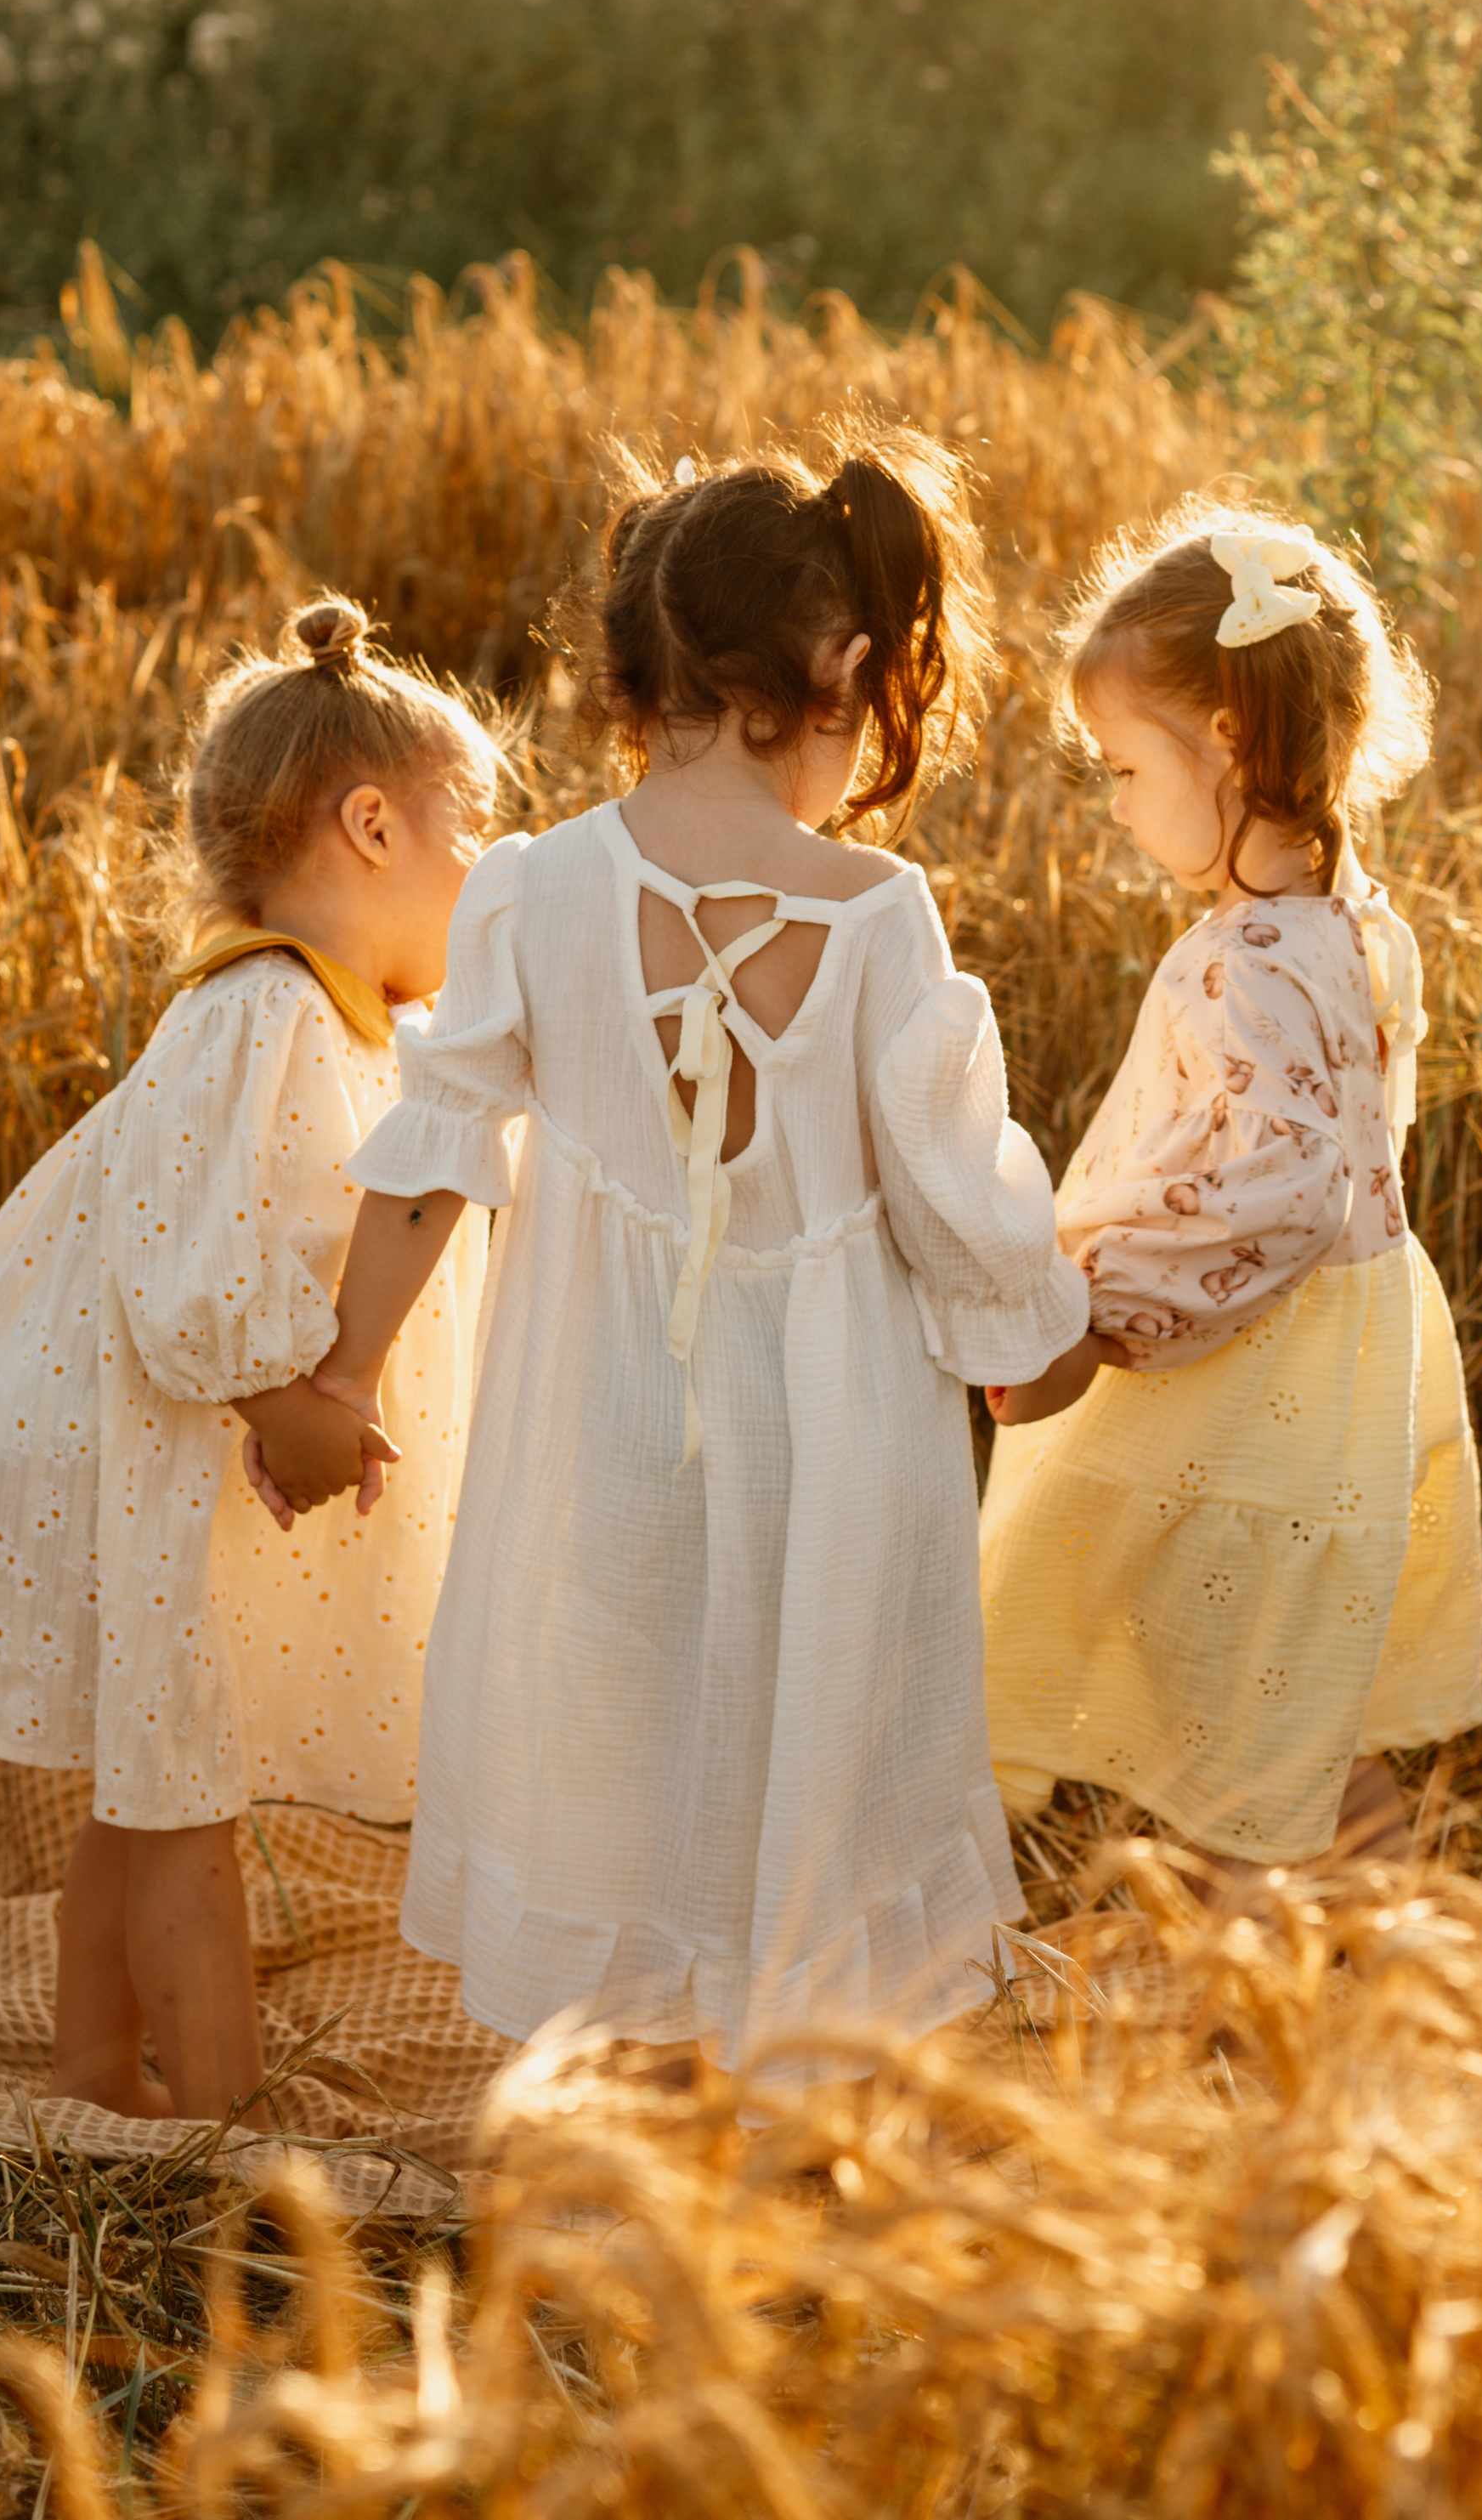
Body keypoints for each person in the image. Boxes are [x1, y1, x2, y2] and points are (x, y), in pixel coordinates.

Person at [254, 434, 1091, 2066]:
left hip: (600, 1415)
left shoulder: (526, 890)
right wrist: (1034, 1331)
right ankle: (791, 2098)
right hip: (832, 1447)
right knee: (814, 1742)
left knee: (612, 1726)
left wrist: (345, 1367)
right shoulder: (875, 914)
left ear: (636, 666)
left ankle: (607, 2091)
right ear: (849, 667)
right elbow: (949, 1186)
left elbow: (431, 1156)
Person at [0, 599, 501, 2120]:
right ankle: (216, 2119)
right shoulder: (260, 1012)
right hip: (151, 1451)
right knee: (182, 1808)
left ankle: (91, 2070)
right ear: (372, 826)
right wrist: (294, 1401)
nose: (486, 875)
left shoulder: (346, 1024)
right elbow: (188, 1268)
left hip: (181, 1459)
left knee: (150, 1798)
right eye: (472, 830)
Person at [977, 509, 1482, 1887]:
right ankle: (1383, 1934)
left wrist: (1102, 1313)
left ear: (1232, 745)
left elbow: (1287, 1190)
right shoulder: (1357, 923)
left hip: (1246, 1378)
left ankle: (1270, 1980)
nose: (1120, 800)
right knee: (1284, 1689)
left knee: (1229, 1696)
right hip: (1341, 1362)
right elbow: (1357, 1149)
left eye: (1129, 765)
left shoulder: (1241, 958)